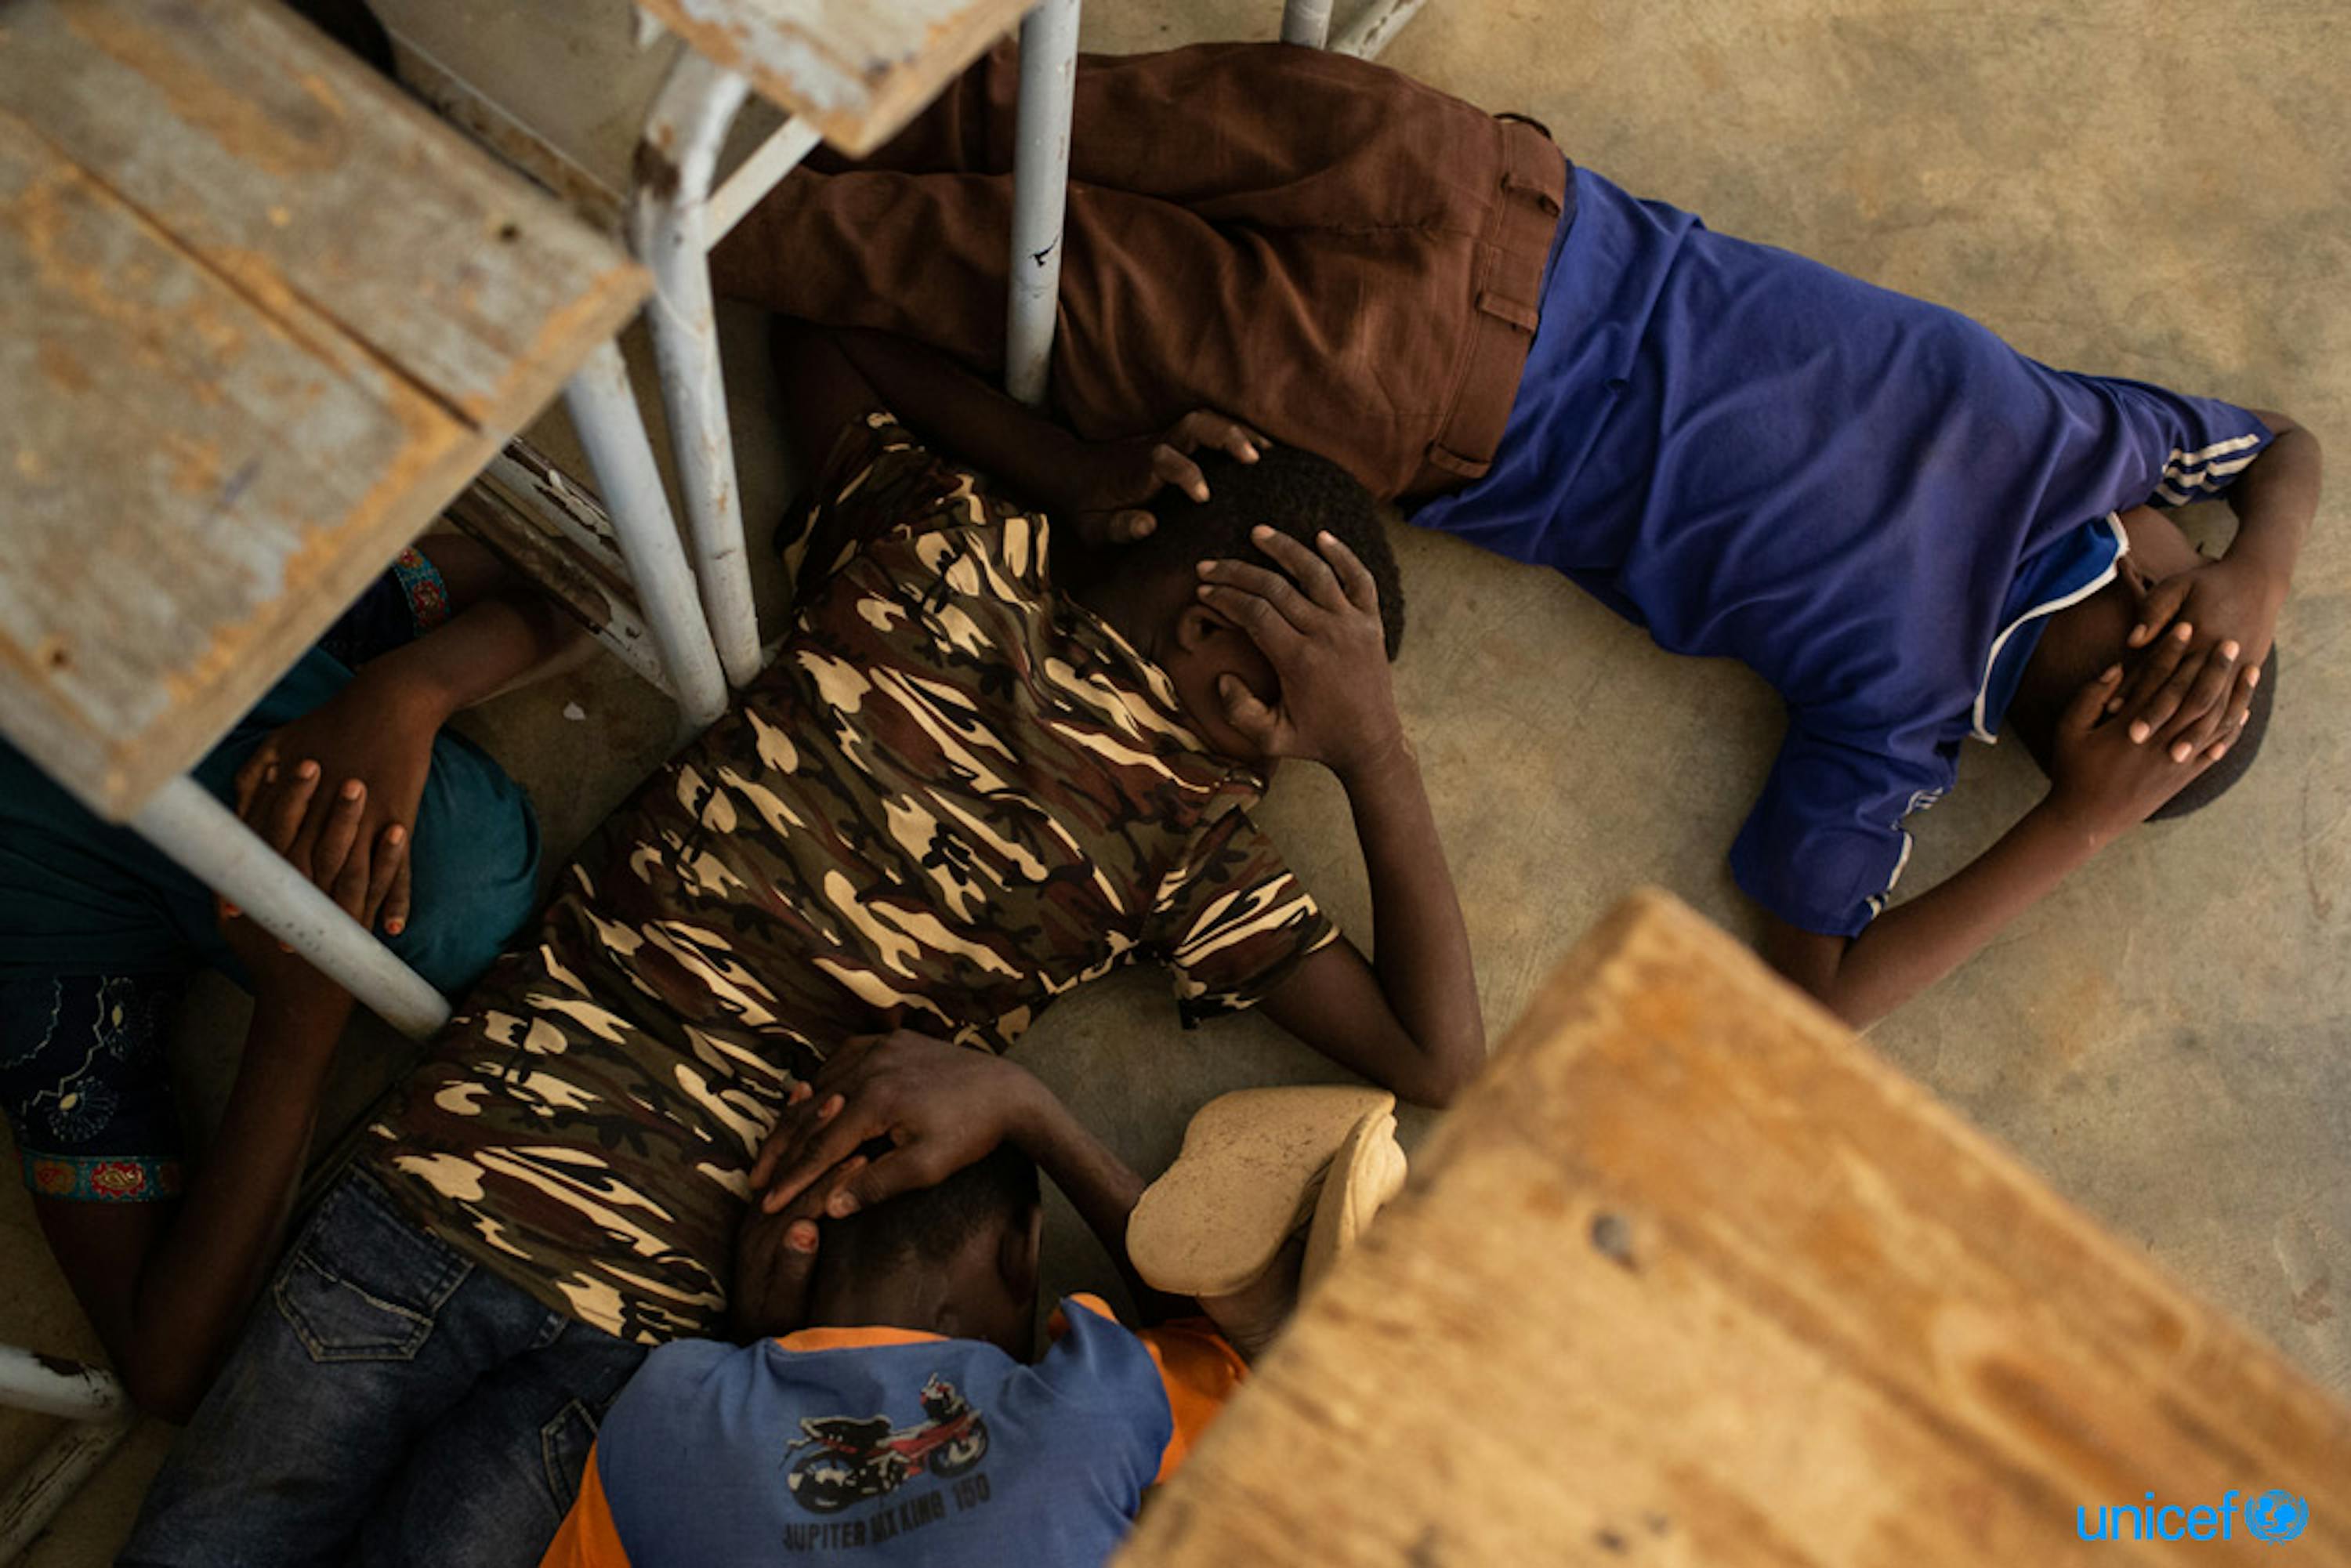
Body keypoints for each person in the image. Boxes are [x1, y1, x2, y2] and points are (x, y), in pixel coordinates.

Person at [122, 321, 1481, 1566]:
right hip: (643, 1351)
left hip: (442, 1188)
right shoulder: (1182, 846)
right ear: (1225, 659)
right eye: (1298, 720)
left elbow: (823, 342)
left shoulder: (946, 548)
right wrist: (1375, 757)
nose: (1283, 763)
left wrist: (1067, 468)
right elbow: (1439, 1052)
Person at [712, 40, 2325, 1027]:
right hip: (1411, 323)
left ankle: (679, 105)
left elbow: (2283, 453)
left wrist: (2249, 574)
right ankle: (642, 170)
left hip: (1470, 205)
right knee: (932, 218)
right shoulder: (1913, 707)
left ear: (2167, 609)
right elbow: (1816, 994)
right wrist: (2088, 820)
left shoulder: (2086, 459)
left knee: (987, 130)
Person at [0, 538, 572, 1418]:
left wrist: (408, 691)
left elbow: (567, 571)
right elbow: (163, 1365)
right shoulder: (46, 955)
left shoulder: (212, 606)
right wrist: (297, 1023)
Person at [537, 1034, 1364, 1568]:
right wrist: (1032, 1112)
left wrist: (755, 1343)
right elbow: (1217, 1311)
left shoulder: (666, 1409)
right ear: (1022, 1254)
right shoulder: (1084, 1407)